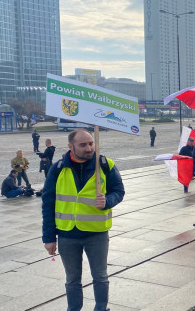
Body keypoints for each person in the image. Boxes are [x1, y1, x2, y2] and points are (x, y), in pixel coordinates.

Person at [41, 129, 125, 311]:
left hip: (97, 233)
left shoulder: (105, 165)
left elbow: (119, 191)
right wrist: (48, 238)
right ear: (71, 146)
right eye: (83, 145)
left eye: (91, 143)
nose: (89, 148)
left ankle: (101, 308)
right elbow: (48, 203)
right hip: (67, 234)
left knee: (100, 276)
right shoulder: (58, 168)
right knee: (72, 279)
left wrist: (107, 201)